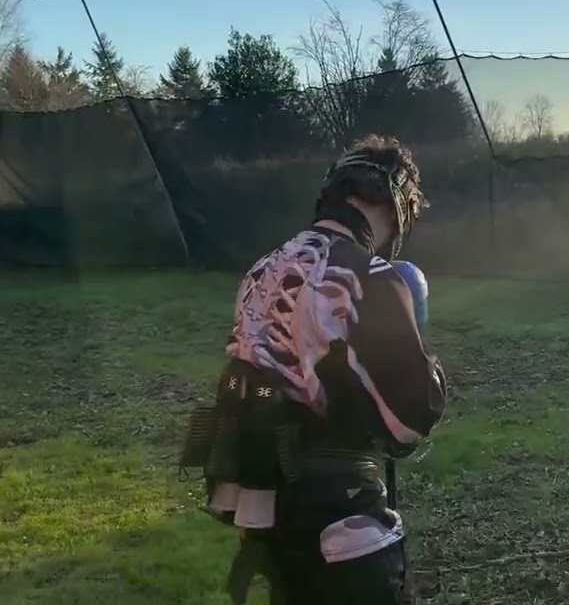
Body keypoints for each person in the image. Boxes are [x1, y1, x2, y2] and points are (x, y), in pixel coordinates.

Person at [180, 134, 447, 605]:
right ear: (397, 205)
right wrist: (432, 367)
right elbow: (409, 422)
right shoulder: (369, 275)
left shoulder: (262, 268)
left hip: (267, 506)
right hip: (342, 519)